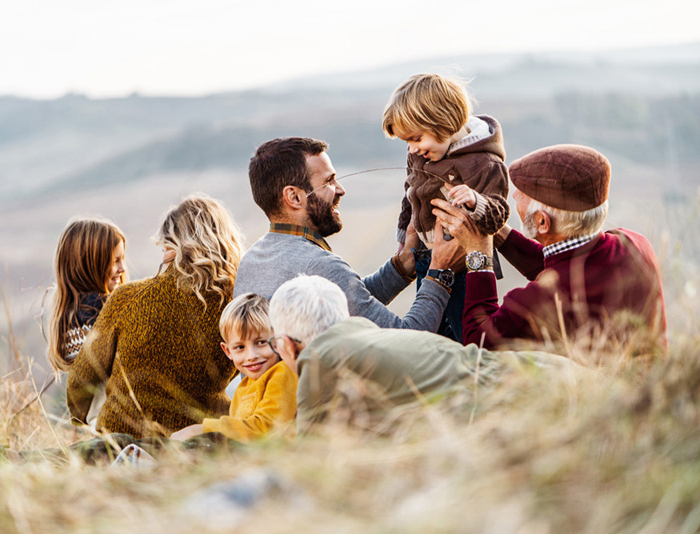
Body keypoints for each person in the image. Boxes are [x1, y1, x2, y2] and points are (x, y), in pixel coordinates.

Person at [431, 144, 668, 355]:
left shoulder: (546, 298)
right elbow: (561, 264)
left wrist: (478, 252)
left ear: (543, 222)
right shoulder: (634, 243)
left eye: (521, 195)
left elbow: (479, 339)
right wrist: (497, 231)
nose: (513, 195)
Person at [267, 275, 576, 433]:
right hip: (551, 375)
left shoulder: (321, 358)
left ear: (287, 345)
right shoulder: (370, 338)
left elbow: (310, 460)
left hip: (532, 404)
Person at [67, 194, 242, 438]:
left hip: (122, 439)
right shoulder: (236, 305)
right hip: (199, 438)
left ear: (171, 247)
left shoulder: (126, 298)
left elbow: (82, 380)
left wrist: (78, 423)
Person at [233, 136, 450, 333]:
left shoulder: (250, 262)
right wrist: (440, 271)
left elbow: (352, 302)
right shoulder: (319, 266)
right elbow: (408, 338)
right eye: (328, 181)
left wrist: (401, 267)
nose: (341, 189)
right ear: (294, 197)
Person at [382, 73, 510, 342]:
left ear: (442, 121)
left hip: (465, 266)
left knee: (467, 340)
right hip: (428, 261)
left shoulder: (484, 162)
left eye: (416, 138)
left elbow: (498, 214)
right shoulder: (421, 154)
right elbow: (410, 196)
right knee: (432, 340)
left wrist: (476, 201)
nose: (413, 149)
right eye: (407, 142)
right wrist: (404, 241)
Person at [170, 293, 298, 443]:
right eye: (240, 347)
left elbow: (265, 428)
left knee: (188, 444)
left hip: (273, 455)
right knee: (157, 443)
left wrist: (202, 429)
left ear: (277, 340)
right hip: (242, 455)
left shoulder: (283, 373)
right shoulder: (244, 386)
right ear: (227, 351)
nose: (251, 355)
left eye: (261, 342)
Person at [47, 217, 128, 426]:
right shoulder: (102, 309)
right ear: (90, 264)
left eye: (123, 259)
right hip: (116, 419)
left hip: (92, 421)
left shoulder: (68, 313)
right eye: (115, 260)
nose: (123, 268)